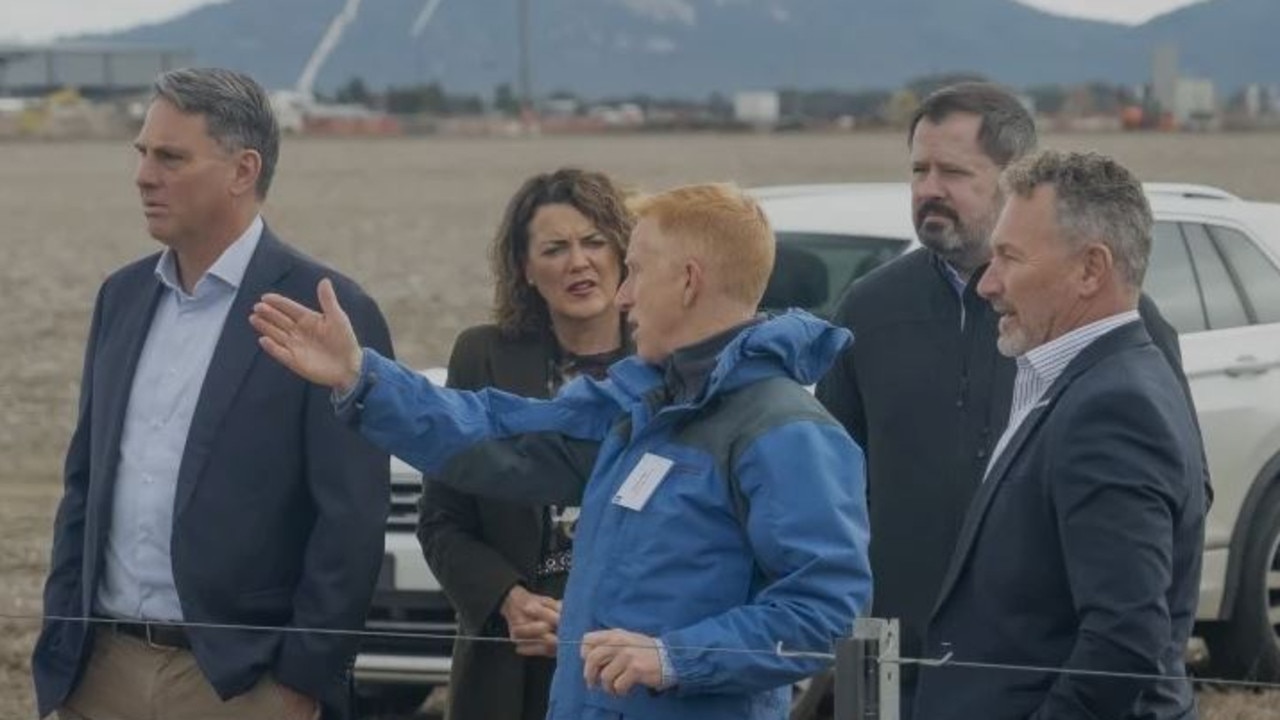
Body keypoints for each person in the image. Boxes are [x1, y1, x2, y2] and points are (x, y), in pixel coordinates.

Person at [251, 183, 873, 720]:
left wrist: (673, 657)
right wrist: (363, 379)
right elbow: (498, 431)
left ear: (688, 282)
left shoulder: (788, 431)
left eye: (635, 270)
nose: (622, 295)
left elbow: (823, 610)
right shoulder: (642, 409)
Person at [814, 81, 1191, 716]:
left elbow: (1152, 558)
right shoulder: (870, 311)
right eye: (918, 169)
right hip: (897, 673)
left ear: (1012, 178)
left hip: (1039, 685)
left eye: (954, 171)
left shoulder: (1107, 328)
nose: (929, 187)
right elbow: (828, 486)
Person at [31, 68, 393, 720]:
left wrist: (297, 685)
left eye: (170, 157)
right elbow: (84, 485)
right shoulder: (122, 297)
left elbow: (350, 521)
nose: (144, 175)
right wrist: (64, 639)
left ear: (242, 170)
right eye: (142, 153)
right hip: (101, 673)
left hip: (237, 685)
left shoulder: (324, 310)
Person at [915, 149, 1205, 720]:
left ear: (1090, 270)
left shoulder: (1114, 406)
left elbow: (1124, 639)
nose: (987, 284)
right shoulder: (1084, 379)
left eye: (1009, 257)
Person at [417, 167, 633, 720]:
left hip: (628, 665)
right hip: (510, 667)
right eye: (555, 248)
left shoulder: (668, 363)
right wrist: (506, 599)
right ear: (525, 268)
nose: (578, 262)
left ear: (624, 254)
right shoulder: (482, 356)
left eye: (594, 242)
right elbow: (443, 519)